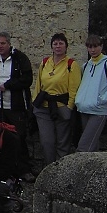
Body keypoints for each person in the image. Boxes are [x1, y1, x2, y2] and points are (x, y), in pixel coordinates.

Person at [0, 31, 36, 181]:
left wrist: (8, 85)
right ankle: (5, 169)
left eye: (3, 43)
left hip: (16, 107)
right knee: (0, 138)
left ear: (9, 44)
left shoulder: (20, 58)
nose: (0, 46)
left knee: (19, 138)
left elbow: (27, 79)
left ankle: (24, 169)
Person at [32, 32, 81, 166]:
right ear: (51, 46)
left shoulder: (71, 64)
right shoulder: (45, 62)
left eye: (61, 43)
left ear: (66, 46)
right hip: (44, 106)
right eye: (55, 43)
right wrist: (35, 102)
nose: (58, 46)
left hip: (61, 106)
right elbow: (38, 84)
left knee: (62, 142)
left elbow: (74, 88)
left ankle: (60, 171)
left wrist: (69, 108)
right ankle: (48, 170)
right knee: (47, 141)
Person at [74, 34, 107, 152]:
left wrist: (101, 99)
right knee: (92, 145)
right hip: (84, 109)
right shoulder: (86, 66)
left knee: (84, 146)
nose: (92, 50)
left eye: (95, 46)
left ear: (101, 46)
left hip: (98, 110)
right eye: (90, 47)